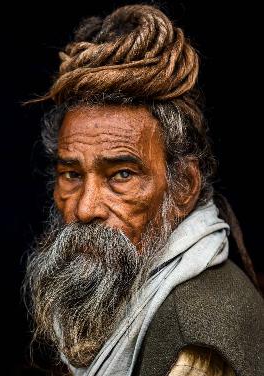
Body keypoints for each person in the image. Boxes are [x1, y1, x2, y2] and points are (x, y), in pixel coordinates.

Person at [24, 4, 264, 376]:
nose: (86, 209)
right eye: (71, 174)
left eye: (121, 174)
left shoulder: (195, 346)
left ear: (183, 185)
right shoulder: (124, 283)